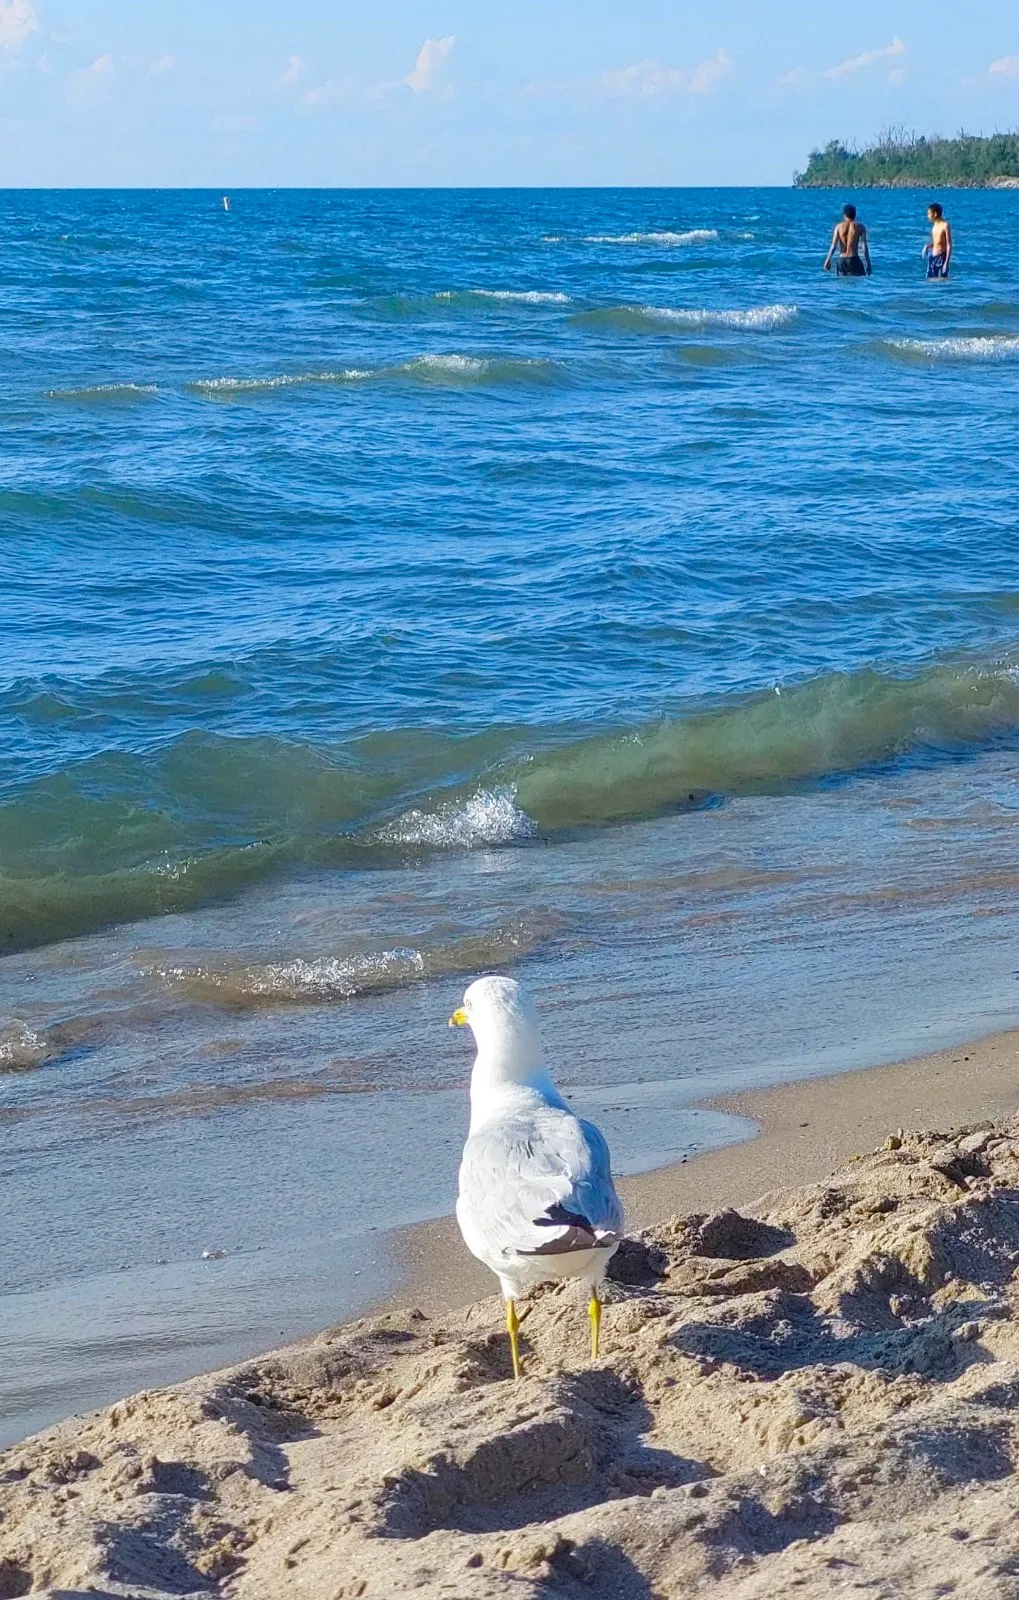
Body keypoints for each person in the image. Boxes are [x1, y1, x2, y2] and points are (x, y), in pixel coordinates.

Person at [823, 203, 872, 277]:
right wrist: (869, 264)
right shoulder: (860, 227)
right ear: (855, 214)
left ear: (844, 214)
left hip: (842, 260)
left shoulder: (838, 227)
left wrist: (827, 260)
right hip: (854, 259)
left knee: (842, 285)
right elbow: (864, 246)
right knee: (859, 284)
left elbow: (833, 246)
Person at [923, 202, 952, 279]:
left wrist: (946, 262)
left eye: (929, 213)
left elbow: (949, 244)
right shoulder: (935, 225)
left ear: (935, 214)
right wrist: (927, 246)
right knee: (930, 280)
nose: (928, 216)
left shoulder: (945, 225)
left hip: (941, 257)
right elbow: (936, 243)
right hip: (932, 257)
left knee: (941, 280)